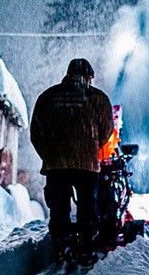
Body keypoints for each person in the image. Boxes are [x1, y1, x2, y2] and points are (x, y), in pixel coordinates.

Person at [30, 58, 114, 260]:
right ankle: (85, 246)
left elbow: (36, 133)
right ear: (89, 77)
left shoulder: (48, 96)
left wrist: (49, 155)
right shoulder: (97, 98)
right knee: (87, 205)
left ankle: (62, 245)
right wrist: (91, 148)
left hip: (56, 164)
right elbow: (107, 130)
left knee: (59, 206)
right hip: (86, 164)